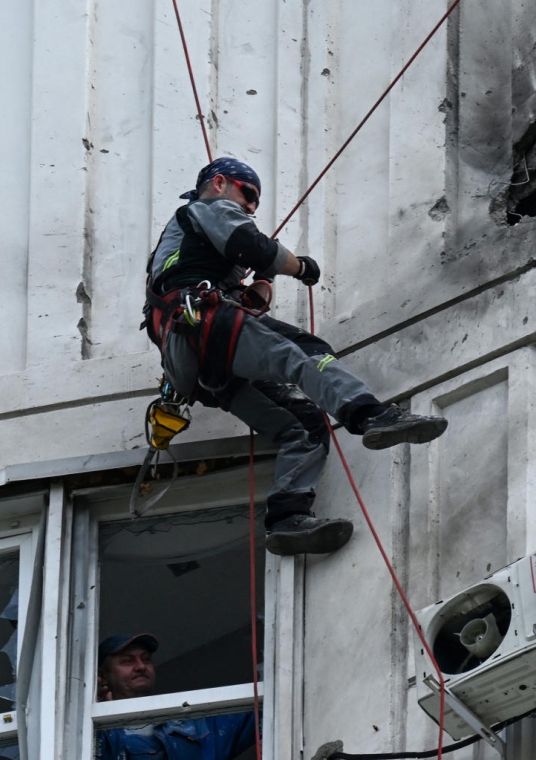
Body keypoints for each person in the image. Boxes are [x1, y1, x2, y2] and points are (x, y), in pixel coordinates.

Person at [144, 157, 447, 556]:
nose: (251, 207)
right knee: (306, 352)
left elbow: (248, 298)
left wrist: (260, 283)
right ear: (219, 183)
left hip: (197, 362)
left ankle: (287, 519)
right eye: (247, 195)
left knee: (303, 424)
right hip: (207, 326)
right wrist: (299, 266)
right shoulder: (206, 208)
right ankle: (370, 415)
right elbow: (251, 246)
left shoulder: (184, 248)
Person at [96, 633, 256, 760]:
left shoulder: (197, 728)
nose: (141, 666)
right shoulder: (95, 732)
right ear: (102, 676)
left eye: (146, 659)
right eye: (127, 661)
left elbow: (261, 711)